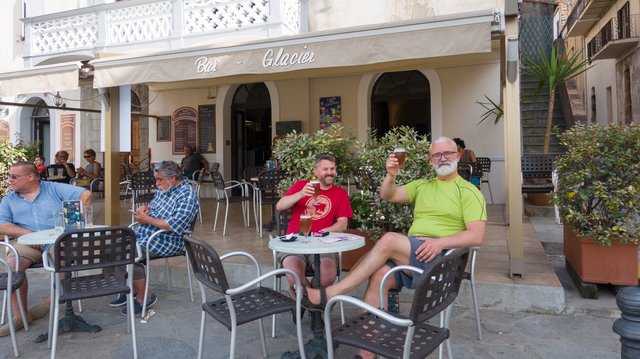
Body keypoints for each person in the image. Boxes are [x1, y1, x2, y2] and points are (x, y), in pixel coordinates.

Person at [303, 137, 486, 357]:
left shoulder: (468, 191)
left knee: (389, 239)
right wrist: (391, 175)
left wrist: (440, 242)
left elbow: (476, 236)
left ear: (457, 156)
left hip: (441, 261)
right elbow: (387, 195)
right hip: (416, 257)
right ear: (430, 161)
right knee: (379, 275)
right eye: (437, 155)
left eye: (447, 153)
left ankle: (336, 290)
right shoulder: (422, 186)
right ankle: (366, 354)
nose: (442, 158)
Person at [0, 161, 91, 336]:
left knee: (64, 255)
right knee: (12, 266)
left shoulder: (53, 188)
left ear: (30, 177)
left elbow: (85, 194)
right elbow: (2, 225)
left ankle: (50, 302)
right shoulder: (9, 199)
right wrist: (27, 233)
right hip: (28, 242)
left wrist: (70, 223)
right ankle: (20, 316)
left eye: (13, 176)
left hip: (58, 240)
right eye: (8, 176)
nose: (9, 180)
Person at [109, 160, 199, 317]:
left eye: (160, 179)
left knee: (129, 253)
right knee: (114, 246)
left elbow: (173, 225)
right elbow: (156, 206)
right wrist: (146, 209)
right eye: (156, 179)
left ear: (172, 178)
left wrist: (146, 220)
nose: (156, 183)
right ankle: (129, 289)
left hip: (168, 240)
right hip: (148, 234)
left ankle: (145, 296)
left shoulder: (187, 195)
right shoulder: (165, 188)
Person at [275, 153, 353, 291]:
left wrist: (323, 232)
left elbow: (342, 224)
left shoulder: (340, 193)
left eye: (332, 169)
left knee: (328, 276)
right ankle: (316, 304)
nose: (330, 173)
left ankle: (307, 302)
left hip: (323, 243)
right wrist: (301, 194)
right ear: (315, 171)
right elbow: (280, 206)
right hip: (295, 241)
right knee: (294, 276)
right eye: (325, 169)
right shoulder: (301, 185)